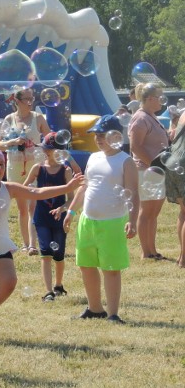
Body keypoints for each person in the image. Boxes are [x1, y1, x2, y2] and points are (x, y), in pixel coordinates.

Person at [0, 148, 83, 338]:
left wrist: (66, 188)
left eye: (1, 165)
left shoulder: (9, 188)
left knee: (9, 282)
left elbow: (36, 191)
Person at [64, 115, 139, 323]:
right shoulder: (93, 157)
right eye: (96, 135)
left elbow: (133, 193)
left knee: (111, 268)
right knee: (86, 265)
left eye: (102, 135)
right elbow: (85, 187)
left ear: (116, 136)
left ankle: (113, 313)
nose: (98, 139)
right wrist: (71, 212)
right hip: (88, 221)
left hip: (113, 222)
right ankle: (94, 308)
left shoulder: (126, 161)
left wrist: (132, 220)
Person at [0, 88, 51, 255]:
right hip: (15, 167)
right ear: (17, 101)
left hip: (34, 166)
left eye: (31, 98)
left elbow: (50, 141)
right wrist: (13, 141)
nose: (30, 101)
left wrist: (37, 146)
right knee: (22, 208)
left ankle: (33, 245)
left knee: (32, 206)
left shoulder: (38, 118)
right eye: (26, 98)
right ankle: (26, 243)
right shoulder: (9, 119)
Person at [24, 132, 75, 301]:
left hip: (59, 219)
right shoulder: (38, 168)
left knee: (59, 255)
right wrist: (31, 191)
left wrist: (62, 208)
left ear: (60, 152)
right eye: (45, 149)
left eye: (50, 150)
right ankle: (48, 291)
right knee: (45, 254)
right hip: (42, 217)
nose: (46, 153)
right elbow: (24, 188)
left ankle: (58, 285)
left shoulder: (66, 171)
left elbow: (71, 200)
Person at [128, 83, 169, 260]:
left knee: (154, 212)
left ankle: (153, 250)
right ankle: (146, 252)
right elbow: (135, 146)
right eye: (159, 97)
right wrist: (153, 164)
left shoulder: (150, 116)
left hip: (155, 171)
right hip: (146, 171)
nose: (162, 101)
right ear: (150, 99)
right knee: (146, 211)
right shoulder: (141, 118)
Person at [164, 110, 185, 268]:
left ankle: (181, 255)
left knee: (183, 211)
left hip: (173, 161)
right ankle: (184, 258)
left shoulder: (183, 113)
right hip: (183, 162)